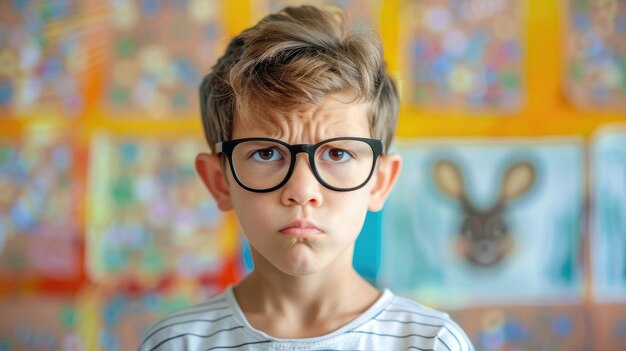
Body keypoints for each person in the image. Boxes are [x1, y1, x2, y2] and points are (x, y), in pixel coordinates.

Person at [139, 5, 474, 351]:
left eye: (337, 154)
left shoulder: (431, 343)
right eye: (266, 153)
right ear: (219, 180)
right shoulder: (176, 343)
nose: (301, 191)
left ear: (380, 182)